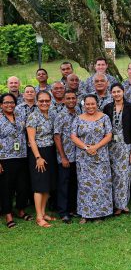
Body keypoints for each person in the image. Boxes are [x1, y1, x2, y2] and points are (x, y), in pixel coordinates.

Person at [71, 94, 113, 223]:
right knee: (84, 186)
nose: (90, 106)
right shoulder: (78, 119)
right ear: (84, 105)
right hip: (84, 158)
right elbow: (73, 136)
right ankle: (85, 214)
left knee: (100, 185)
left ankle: (99, 214)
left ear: (97, 104)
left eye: (92, 104)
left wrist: (96, 146)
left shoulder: (104, 118)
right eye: (87, 104)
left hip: (100, 157)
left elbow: (109, 135)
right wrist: (85, 147)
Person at [104, 83, 131, 215]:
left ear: (123, 92)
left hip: (125, 146)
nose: (116, 94)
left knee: (124, 175)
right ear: (111, 93)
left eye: (119, 91)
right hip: (110, 146)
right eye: (114, 92)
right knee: (112, 175)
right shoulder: (107, 107)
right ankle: (113, 204)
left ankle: (122, 205)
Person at [26, 91, 57, 227]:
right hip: (38, 152)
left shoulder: (51, 114)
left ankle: (43, 212)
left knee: (46, 185)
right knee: (39, 185)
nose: (44, 103)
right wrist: (38, 157)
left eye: (47, 101)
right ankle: (39, 217)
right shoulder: (33, 117)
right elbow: (31, 139)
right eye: (41, 101)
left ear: (50, 101)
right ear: (37, 102)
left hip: (50, 151)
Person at [0, 94, 31, 228]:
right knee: (7, 188)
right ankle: (8, 215)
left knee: (22, 186)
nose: (9, 105)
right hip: (5, 159)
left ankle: (21, 210)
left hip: (22, 156)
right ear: (1, 105)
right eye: (6, 103)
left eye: (12, 102)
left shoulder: (20, 116)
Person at [53, 90, 79, 223]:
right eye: (68, 98)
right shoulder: (60, 116)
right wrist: (63, 157)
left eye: (73, 98)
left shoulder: (79, 113)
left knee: (74, 184)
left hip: (78, 156)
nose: (71, 100)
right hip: (66, 157)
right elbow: (57, 137)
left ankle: (72, 209)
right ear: (63, 100)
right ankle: (63, 212)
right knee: (63, 184)